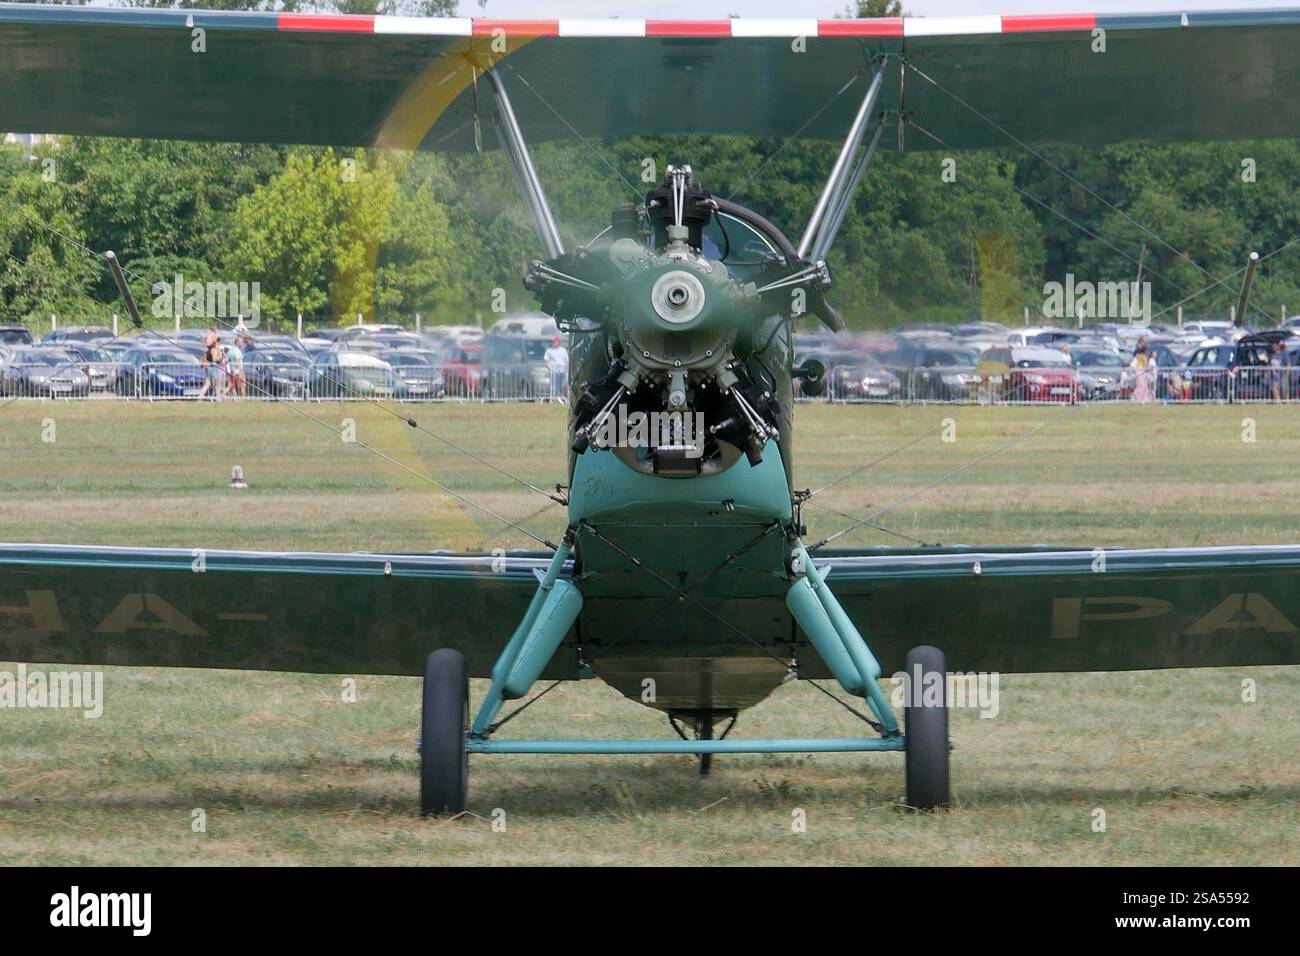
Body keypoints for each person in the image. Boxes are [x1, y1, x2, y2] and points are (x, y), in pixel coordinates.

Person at [543, 335, 568, 403]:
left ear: (558, 342)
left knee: (562, 386)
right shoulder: (549, 350)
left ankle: (562, 398)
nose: (554, 343)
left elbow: (566, 361)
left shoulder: (563, 350)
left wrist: (566, 369)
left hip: (563, 371)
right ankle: (553, 399)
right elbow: (546, 361)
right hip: (554, 372)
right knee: (554, 386)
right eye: (553, 342)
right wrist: (550, 369)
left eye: (555, 341)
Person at [1129, 337, 1154, 403]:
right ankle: (1141, 398)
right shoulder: (1143, 357)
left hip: (1138, 371)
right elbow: (1146, 366)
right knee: (1142, 385)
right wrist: (1150, 369)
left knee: (1140, 385)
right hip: (1141, 371)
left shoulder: (1137, 356)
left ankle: (1138, 397)